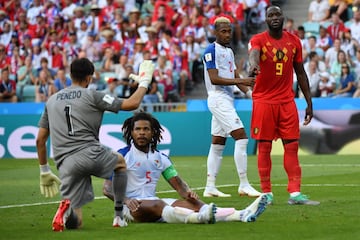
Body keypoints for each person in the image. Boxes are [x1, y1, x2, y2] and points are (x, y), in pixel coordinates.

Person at [35, 58, 155, 231]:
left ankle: (67, 209)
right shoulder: (93, 95)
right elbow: (132, 103)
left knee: (77, 223)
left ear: (70, 75)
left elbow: (40, 140)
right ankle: (119, 216)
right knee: (120, 162)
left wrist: (44, 170)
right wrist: (144, 81)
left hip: (65, 163)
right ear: (89, 78)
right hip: (90, 153)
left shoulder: (52, 100)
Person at [102, 112, 268, 224]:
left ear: (153, 132)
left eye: (146, 129)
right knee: (158, 204)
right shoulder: (121, 156)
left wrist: (188, 193)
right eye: (137, 129)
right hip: (131, 208)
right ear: (131, 133)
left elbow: (179, 185)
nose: (142, 133)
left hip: (154, 202)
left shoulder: (162, 158)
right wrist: (125, 200)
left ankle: (241, 214)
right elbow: (107, 189)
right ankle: (200, 218)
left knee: (193, 202)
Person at [248, 5, 320, 205]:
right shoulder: (258, 40)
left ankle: (295, 193)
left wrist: (309, 102)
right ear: (266, 20)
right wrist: (253, 65)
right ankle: (266, 193)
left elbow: (301, 72)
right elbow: (254, 54)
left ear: (283, 17)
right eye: (270, 15)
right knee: (264, 147)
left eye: (277, 14)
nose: (274, 18)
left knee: (292, 146)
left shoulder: (294, 41)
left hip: (287, 101)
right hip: (264, 101)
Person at [202, 17, 261, 198]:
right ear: (215, 32)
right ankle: (243, 184)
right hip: (217, 98)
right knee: (241, 137)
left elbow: (234, 73)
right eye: (223, 31)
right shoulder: (210, 50)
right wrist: (241, 80)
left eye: (229, 31)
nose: (227, 34)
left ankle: (210, 187)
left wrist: (251, 94)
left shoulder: (229, 51)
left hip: (227, 99)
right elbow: (215, 78)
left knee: (218, 144)